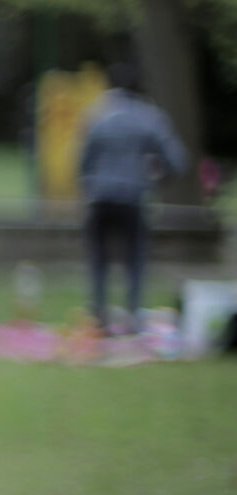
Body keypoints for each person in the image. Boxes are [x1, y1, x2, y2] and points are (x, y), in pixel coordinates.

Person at [78, 62, 189, 333]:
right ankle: (132, 317)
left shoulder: (96, 115)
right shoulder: (149, 118)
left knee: (99, 259)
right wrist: (157, 178)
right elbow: (177, 161)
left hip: (100, 197)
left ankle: (99, 316)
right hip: (132, 197)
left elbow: (83, 163)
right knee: (135, 260)